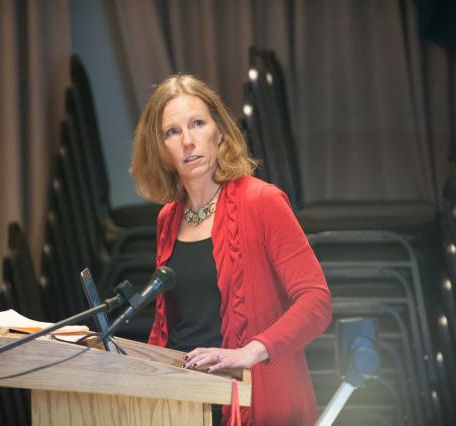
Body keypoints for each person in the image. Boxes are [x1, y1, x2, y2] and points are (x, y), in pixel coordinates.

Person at [130, 74, 331, 425]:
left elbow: (316, 302)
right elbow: (171, 325)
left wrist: (250, 351)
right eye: (172, 132)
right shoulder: (168, 218)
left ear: (219, 131)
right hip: (183, 403)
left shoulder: (262, 201)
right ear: (160, 149)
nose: (188, 141)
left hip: (250, 401)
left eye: (197, 124)